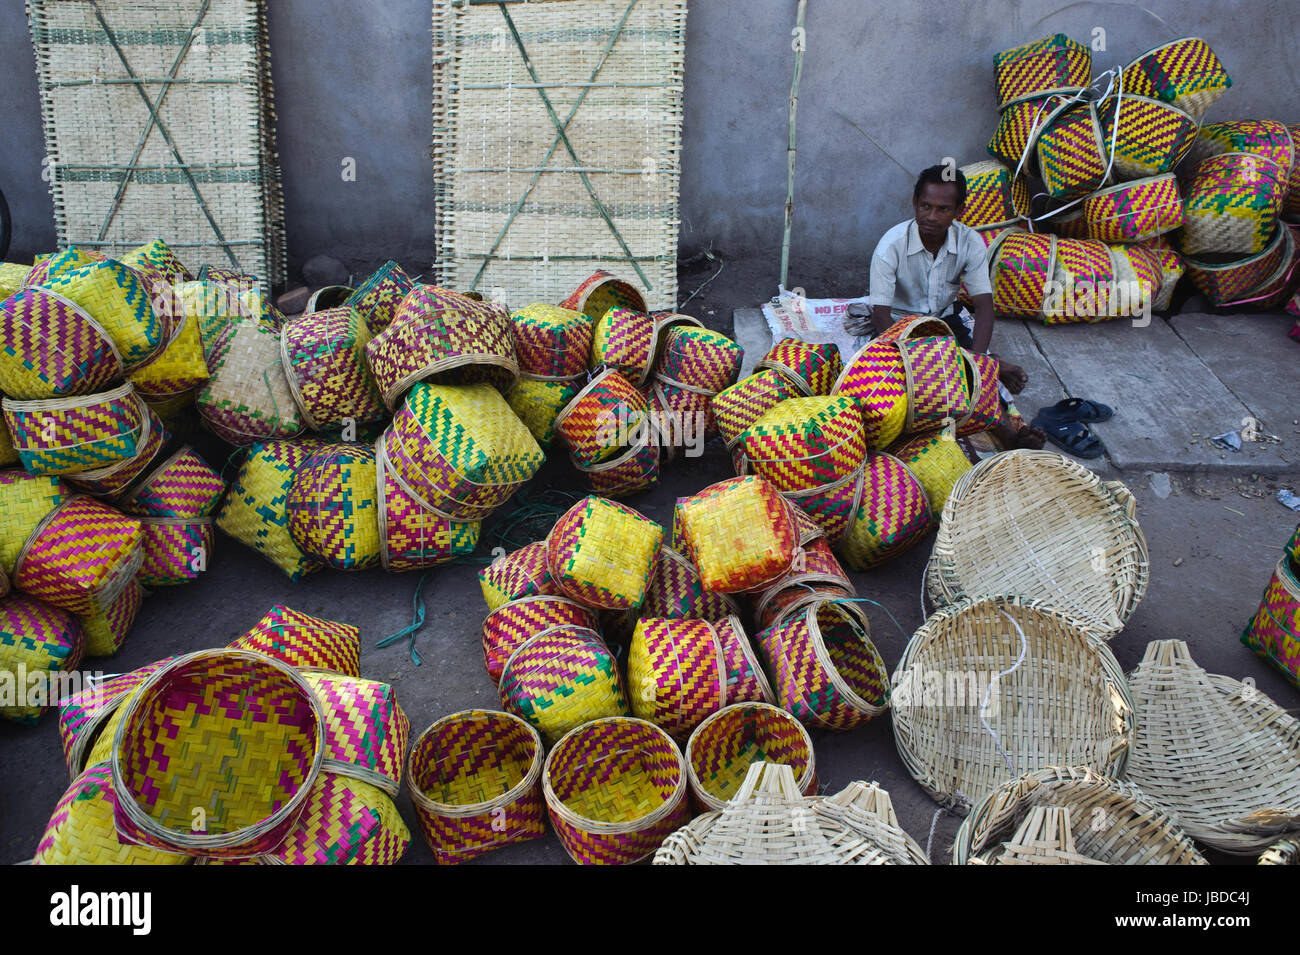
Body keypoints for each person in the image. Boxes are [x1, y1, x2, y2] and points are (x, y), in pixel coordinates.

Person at [860, 165, 1045, 450]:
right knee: (904, 389)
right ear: (915, 203)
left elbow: (984, 306)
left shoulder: (969, 242)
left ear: (959, 210)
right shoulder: (891, 246)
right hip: (900, 328)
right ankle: (998, 399)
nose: (931, 217)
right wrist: (931, 357)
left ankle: (1007, 431)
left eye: (943, 209)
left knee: (976, 379)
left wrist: (980, 359)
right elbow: (881, 315)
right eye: (925, 206)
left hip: (945, 322)